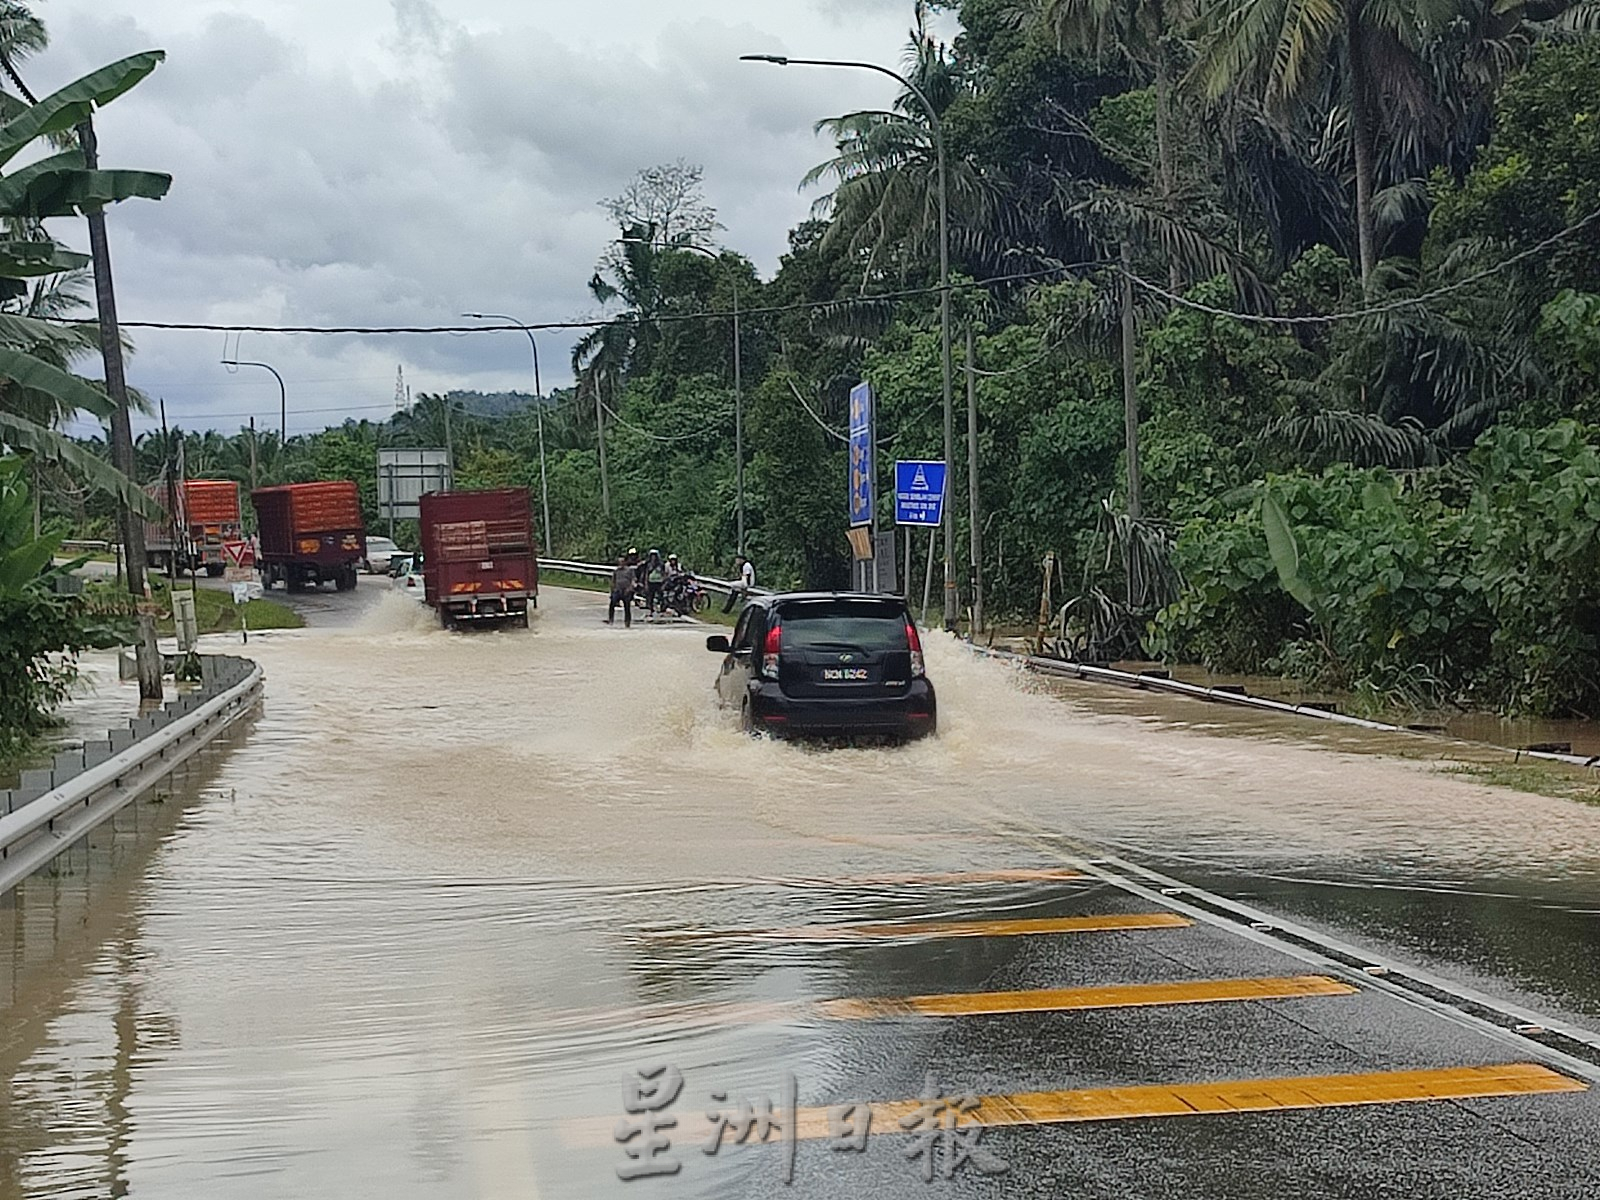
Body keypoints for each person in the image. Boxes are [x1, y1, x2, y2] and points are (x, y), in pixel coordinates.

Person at [607, 555, 635, 627]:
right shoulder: (616, 571)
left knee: (627, 606)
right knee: (612, 604)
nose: (621, 563)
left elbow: (633, 580)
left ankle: (627, 621)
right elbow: (613, 580)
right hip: (617, 590)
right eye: (619, 562)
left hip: (626, 590)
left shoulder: (629, 571)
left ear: (625, 562)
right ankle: (610, 619)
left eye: (622, 562)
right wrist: (612, 589)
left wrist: (629, 589)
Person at [642, 549, 667, 616]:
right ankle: (650, 609)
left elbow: (663, 573)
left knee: (661, 596)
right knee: (650, 596)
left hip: (659, 582)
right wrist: (646, 583)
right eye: (652, 555)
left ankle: (662, 609)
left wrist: (664, 582)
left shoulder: (661, 564)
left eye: (654, 555)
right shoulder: (648, 564)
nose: (653, 557)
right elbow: (646, 574)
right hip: (651, 582)